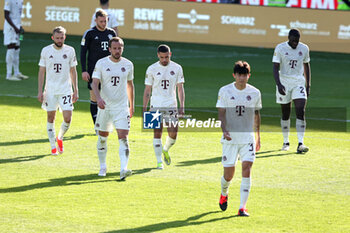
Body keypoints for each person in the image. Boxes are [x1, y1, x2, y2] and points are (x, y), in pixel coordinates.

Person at [217, 61, 261, 217]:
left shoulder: (255, 93)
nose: (242, 78)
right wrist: (224, 129)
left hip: (247, 137)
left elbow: (256, 114)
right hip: (230, 138)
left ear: (249, 76)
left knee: (247, 168)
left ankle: (242, 207)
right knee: (228, 175)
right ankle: (224, 192)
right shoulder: (225, 91)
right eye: (239, 75)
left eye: (244, 75)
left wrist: (258, 136)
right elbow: (221, 113)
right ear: (234, 75)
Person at [91, 37, 134, 180]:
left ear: (123, 48)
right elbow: (94, 83)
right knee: (103, 138)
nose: (117, 51)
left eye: (120, 48)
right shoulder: (101, 63)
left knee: (124, 138)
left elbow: (130, 85)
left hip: (122, 108)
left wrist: (131, 105)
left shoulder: (128, 64)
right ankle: (103, 166)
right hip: (105, 108)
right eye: (114, 48)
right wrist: (98, 98)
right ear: (109, 49)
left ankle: (123, 169)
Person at [37, 26, 79, 155]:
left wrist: (75, 89)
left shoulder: (70, 50)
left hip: (66, 90)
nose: (59, 40)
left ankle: (59, 137)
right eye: (57, 38)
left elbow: (73, 71)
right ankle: (52, 146)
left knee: (68, 118)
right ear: (53, 38)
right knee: (51, 117)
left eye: (62, 38)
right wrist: (40, 91)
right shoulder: (45, 51)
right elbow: (41, 72)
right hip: (50, 91)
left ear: (65, 37)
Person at [143, 44, 185, 169]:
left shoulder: (177, 68)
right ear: (158, 56)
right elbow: (147, 90)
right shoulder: (151, 69)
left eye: (166, 57)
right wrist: (144, 107)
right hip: (155, 104)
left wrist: (182, 105)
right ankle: (159, 162)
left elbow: (180, 88)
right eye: (162, 57)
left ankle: (165, 149)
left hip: (171, 105)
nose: (164, 60)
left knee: (173, 134)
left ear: (170, 54)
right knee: (157, 133)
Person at [272, 28, 311, 153]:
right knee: (285, 112)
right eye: (293, 41)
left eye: (297, 41)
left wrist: (308, 84)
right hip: (284, 82)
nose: (295, 43)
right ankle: (286, 141)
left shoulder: (304, 48)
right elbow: (275, 67)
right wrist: (278, 84)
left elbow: (306, 65)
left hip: (298, 82)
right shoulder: (280, 48)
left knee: (300, 109)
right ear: (289, 38)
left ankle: (300, 143)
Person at [81, 9, 116, 130]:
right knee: (94, 98)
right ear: (96, 20)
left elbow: (116, 52)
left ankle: (106, 123)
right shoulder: (89, 33)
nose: (103, 23)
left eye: (105, 21)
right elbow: (83, 52)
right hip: (93, 71)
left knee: (109, 97)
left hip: (109, 71)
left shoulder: (112, 33)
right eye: (101, 21)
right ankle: (97, 124)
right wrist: (84, 70)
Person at [3, 0, 29, 81]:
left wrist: (20, 27)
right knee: (11, 48)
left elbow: (18, 15)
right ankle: (9, 74)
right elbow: (6, 15)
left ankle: (17, 72)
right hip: (10, 28)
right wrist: (15, 27)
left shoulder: (21, 0)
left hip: (17, 27)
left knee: (17, 49)